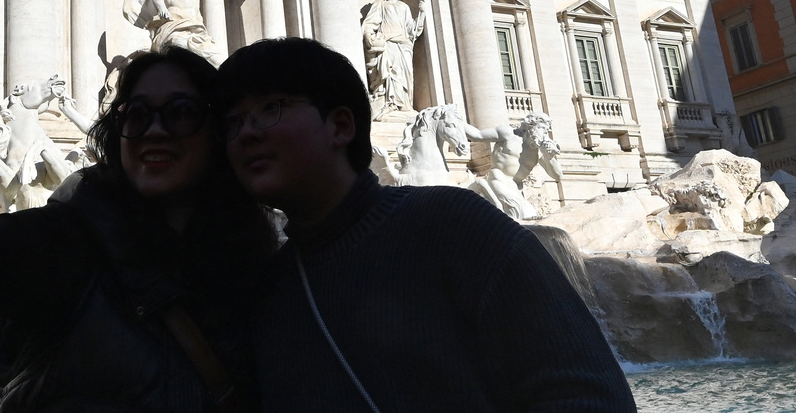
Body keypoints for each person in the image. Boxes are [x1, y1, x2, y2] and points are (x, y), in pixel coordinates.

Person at [0, 0, 275, 413]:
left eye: (180, 111)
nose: (154, 130)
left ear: (216, 130)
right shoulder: (60, 243)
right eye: (136, 115)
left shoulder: (261, 259)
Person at [213, 37, 635, 413]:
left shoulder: (455, 224)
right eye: (232, 122)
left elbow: (587, 393)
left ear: (341, 125)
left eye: (271, 108)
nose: (246, 134)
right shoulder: (268, 289)